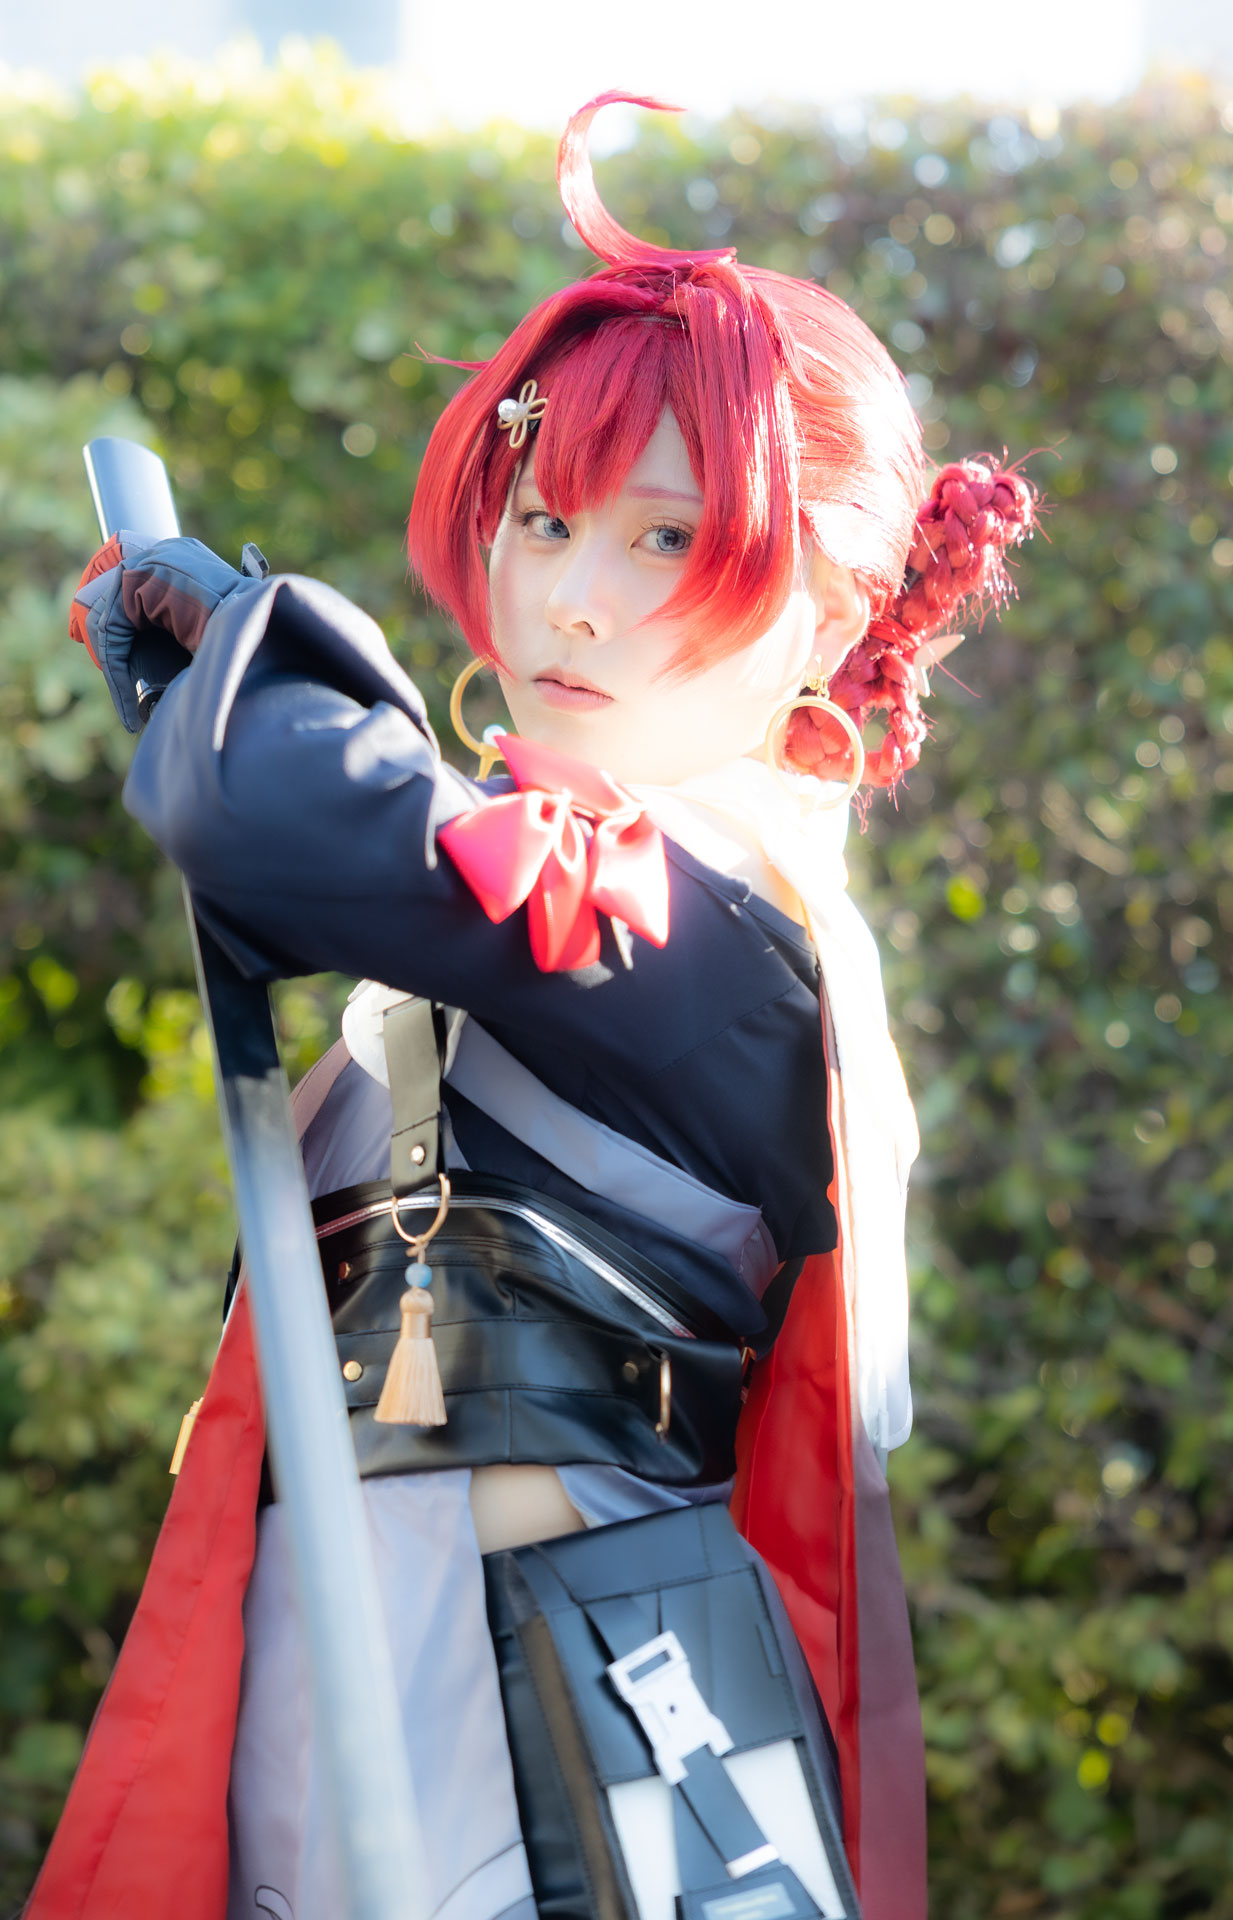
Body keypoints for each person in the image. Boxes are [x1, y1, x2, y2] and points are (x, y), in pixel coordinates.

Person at [36, 91, 1035, 1920]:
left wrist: (250, 648)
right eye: (547, 516)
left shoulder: (714, 932)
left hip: (568, 1753)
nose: (567, 600)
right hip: (328, 1710)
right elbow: (304, 838)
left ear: (824, 619)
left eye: (664, 543)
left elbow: (278, 812)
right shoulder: (538, 889)